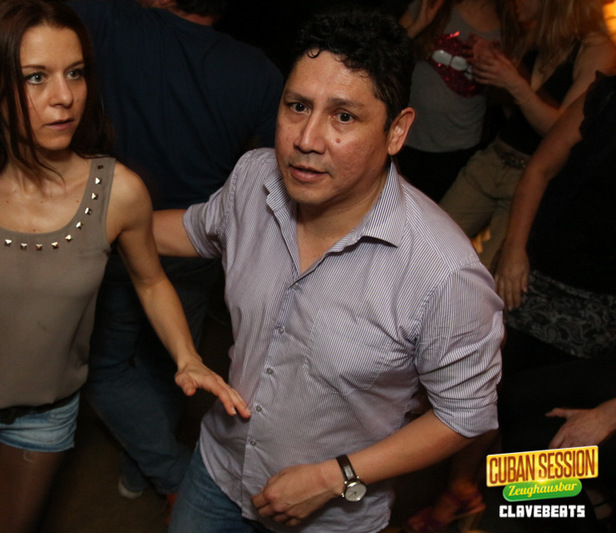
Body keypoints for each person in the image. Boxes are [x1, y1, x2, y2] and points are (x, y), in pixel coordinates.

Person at [0, 0, 283, 504]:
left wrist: (187, 357)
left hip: (45, 413)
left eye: (75, 73)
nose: (64, 97)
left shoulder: (119, 192)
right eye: (35, 77)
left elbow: (150, 281)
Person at [153, 6, 504, 532]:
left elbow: (464, 415)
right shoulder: (254, 179)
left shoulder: (444, 274)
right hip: (219, 470)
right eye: (297, 106)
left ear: (396, 131)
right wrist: (90, 216)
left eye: (343, 117)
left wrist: (334, 477)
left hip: (332, 517)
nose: (307, 139)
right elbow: (193, 229)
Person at [491, 71, 616, 532]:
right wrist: (513, 250)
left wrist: (606, 417)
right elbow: (539, 170)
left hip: (599, 315)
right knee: (507, 402)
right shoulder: (606, 99)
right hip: (546, 277)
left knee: (526, 462)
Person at [438, 0, 616, 269]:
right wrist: (494, 67)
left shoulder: (596, 50)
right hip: (492, 160)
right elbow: (517, 113)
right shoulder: (535, 36)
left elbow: (559, 133)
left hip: (526, 180)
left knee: (483, 276)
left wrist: (513, 82)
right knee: (426, 246)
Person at [396, 0, 514, 202]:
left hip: (455, 148)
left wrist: (497, 65)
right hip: (402, 134)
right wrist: (418, 26)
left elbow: (508, 101)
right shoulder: (434, 4)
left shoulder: (510, 26)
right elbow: (381, 55)